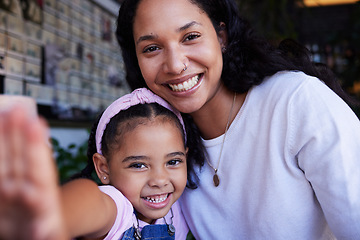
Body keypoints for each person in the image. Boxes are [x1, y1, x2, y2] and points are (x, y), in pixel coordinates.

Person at [115, 0, 360, 239]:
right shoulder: (161, 147)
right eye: (152, 48)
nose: (176, 65)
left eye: (190, 36)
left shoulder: (296, 102)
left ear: (221, 37)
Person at [0, 88, 189, 240]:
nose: (159, 180)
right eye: (138, 165)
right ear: (103, 168)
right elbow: (92, 201)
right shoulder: (119, 208)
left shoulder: (177, 212)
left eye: (173, 161)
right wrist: (52, 216)